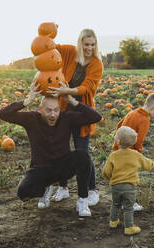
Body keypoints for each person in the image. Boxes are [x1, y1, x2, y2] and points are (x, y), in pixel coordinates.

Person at [0, 84, 102, 217]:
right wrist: (26, 101)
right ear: (40, 109)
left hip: (63, 167)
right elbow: (1, 114)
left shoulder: (66, 118)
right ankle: (45, 189)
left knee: (82, 156)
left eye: (56, 110)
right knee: (23, 193)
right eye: (48, 110)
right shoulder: (31, 118)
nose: (53, 114)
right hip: (40, 168)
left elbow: (96, 117)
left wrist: (72, 101)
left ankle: (82, 201)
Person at [47, 28, 103, 206]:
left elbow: (86, 88)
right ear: (80, 43)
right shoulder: (70, 52)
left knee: (82, 152)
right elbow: (50, 45)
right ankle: (63, 188)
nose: (89, 48)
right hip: (63, 110)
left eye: (92, 44)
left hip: (81, 112)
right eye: (86, 44)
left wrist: (66, 92)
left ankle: (92, 189)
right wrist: (50, 29)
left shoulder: (96, 64)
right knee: (61, 150)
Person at [112, 93, 154, 211]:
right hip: (129, 154)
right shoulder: (144, 121)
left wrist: (117, 144)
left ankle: (120, 201)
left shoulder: (132, 113)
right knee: (130, 180)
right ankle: (129, 203)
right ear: (153, 108)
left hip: (119, 150)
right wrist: (138, 154)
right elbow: (139, 141)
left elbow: (119, 126)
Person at [102, 126, 154, 235]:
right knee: (128, 207)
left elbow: (106, 171)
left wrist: (109, 178)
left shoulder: (113, 155)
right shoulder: (135, 155)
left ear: (118, 141)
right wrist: (152, 163)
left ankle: (113, 221)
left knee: (115, 204)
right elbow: (146, 164)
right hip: (130, 187)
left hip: (116, 186)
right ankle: (129, 227)